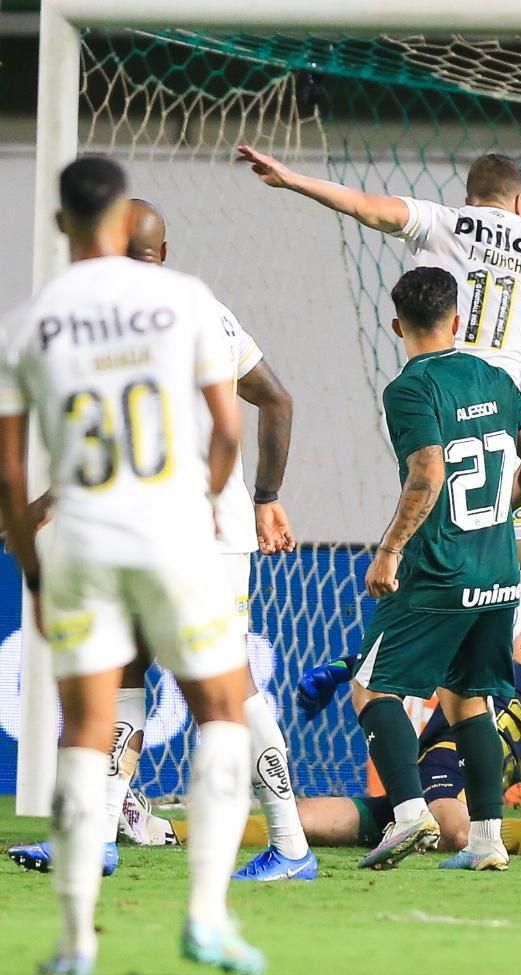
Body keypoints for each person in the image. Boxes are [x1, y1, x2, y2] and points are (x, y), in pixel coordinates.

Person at [0, 156, 263, 975]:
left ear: (60, 227)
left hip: (79, 537)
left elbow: (10, 474)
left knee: (85, 726)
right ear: (125, 223)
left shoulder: (32, 320)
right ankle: (207, 916)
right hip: (170, 531)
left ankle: (77, 939)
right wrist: (203, 499)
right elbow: (229, 428)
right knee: (222, 707)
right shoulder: (184, 299)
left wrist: (33, 573)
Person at [5, 198, 317, 883]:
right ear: (163, 252)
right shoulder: (203, 308)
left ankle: (292, 844)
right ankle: (98, 836)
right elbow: (279, 399)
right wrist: (265, 498)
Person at [236, 145, 521, 623]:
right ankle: (446, 657)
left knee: (440, 540)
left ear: (470, 198)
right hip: (494, 414)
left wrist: (292, 179)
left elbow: (365, 204)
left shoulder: (441, 220)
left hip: (429, 404)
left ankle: (428, 663)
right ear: (519, 204)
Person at [142, 610, 521, 859]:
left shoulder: (487, 660)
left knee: (440, 825)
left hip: (441, 772)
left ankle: (169, 831)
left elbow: (407, 660)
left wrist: (340, 669)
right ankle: (172, 831)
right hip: (445, 784)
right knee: (355, 817)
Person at [351, 266, 521, 873]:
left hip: (438, 569)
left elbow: (429, 472)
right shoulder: (492, 375)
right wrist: (503, 507)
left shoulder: (409, 389)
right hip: (497, 570)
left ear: (396, 325)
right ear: (459, 321)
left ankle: (410, 815)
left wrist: (389, 549)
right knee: (471, 700)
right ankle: (487, 840)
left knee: (371, 686)